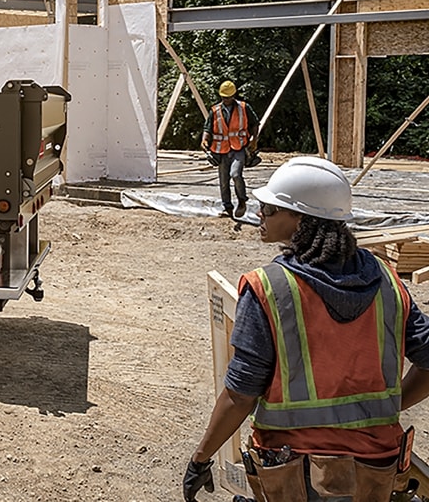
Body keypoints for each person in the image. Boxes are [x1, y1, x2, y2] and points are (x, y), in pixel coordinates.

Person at [184, 157, 429, 501]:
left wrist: (201, 457)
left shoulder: (270, 288)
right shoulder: (387, 281)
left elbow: (241, 394)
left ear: (301, 219)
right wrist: (388, 407)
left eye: (269, 208)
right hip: (375, 468)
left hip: (294, 472)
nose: (259, 214)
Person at [201, 81, 260, 219]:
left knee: (235, 174)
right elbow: (207, 128)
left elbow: (255, 124)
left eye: (228, 97)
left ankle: (242, 200)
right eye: (223, 97)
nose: (225, 100)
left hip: (238, 148)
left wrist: (254, 139)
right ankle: (227, 207)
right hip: (222, 150)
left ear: (233, 95)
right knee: (223, 181)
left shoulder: (244, 108)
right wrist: (204, 140)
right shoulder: (215, 110)